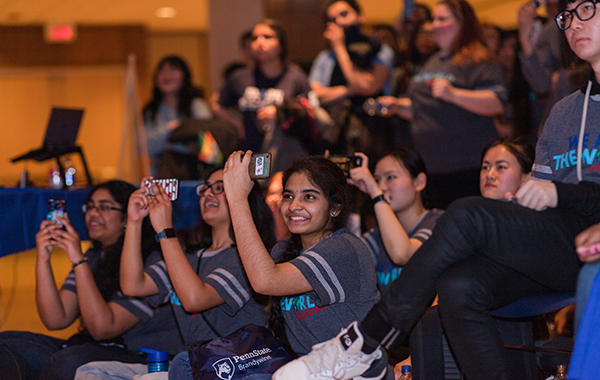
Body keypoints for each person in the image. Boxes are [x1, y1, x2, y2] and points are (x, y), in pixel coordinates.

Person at [273, 0, 600, 378]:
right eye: (567, 15)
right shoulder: (562, 113)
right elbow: (544, 199)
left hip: (586, 238)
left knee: (464, 212)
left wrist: (560, 195)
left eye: (586, 9)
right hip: (557, 245)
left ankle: (365, 340)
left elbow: (567, 198)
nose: (573, 23)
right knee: (458, 286)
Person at [75, 168, 275, 380]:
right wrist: (134, 221)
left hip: (233, 366)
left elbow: (194, 300)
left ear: (243, 197)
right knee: (91, 372)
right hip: (191, 364)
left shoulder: (246, 259)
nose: (208, 193)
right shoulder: (188, 255)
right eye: (206, 187)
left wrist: (165, 229)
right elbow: (133, 285)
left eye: (220, 188)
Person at [0, 181, 182, 380]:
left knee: (68, 360)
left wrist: (79, 260)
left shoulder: (151, 259)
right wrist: (43, 258)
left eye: (104, 207)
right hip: (93, 347)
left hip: (141, 355)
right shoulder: (95, 255)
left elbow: (103, 329)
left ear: (127, 217)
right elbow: (56, 319)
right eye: (90, 207)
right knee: (6, 342)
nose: (93, 214)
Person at [222, 154, 380, 357]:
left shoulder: (344, 249)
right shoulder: (283, 251)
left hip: (353, 369)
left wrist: (237, 199)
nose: (294, 205)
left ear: (335, 208)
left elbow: (266, 281)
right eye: (288, 196)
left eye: (309, 196)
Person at [377, 0, 507, 209]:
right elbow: (427, 109)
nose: (434, 25)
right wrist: (399, 107)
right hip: (432, 167)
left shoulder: (479, 58)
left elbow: (497, 102)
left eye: (442, 19)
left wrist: (454, 94)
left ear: (463, 23)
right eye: (433, 19)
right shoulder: (434, 61)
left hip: (466, 166)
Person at [215, 19, 312, 174]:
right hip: (249, 152)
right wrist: (237, 123)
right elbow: (217, 104)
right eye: (255, 38)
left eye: (267, 37)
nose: (260, 42)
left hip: (284, 155)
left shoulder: (295, 76)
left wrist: (280, 113)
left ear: (281, 45)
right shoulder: (240, 77)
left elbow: (310, 111)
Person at [349, 149, 443, 295]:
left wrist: (376, 194)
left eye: (391, 177)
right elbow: (347, 263)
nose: (382, 187)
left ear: (419, 182)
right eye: (377, 180)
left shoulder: (440, 222)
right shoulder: (379, 235)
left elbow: (402, 254)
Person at [143, 55, 212, 176]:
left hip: (194, 173)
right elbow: (145, 147)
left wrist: (169, 144)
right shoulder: (150, 110)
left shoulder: (197, 105)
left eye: (173, 70)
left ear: (185, 75)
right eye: (162, 70)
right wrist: (173, 127)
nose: (167, 75)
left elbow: (207, 144)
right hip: (162, 173)